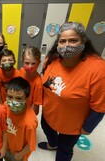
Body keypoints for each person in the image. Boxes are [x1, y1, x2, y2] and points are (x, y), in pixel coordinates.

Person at [38, 22, 105, 161]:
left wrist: (87, 128)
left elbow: (100, 106)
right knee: (47, 129)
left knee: (65, 150)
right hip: (49, 114)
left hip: (72, 124)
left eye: (73, 40)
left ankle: (59, 147)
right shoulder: (51, 59)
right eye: (62, 41)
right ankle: (52, 144)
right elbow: (44, 83)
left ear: (84, 42)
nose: (67, 45)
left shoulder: (98, 68)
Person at [4, 77, 38, 161]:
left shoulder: (30, 122)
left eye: (18, 98)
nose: (13, 101)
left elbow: (31, 144)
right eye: (10, 97)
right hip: (7, 148)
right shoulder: (5, 105)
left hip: (19, 153)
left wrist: (20, 155)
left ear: (26, 98)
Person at [20, 46, 43, 115]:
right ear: (22, 61)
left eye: (33, 63)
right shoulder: (21, 71)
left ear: (39, 63)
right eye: (27, 63)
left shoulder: (38, 83)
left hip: (27, 113)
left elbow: (35, 108)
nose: (30, 66)